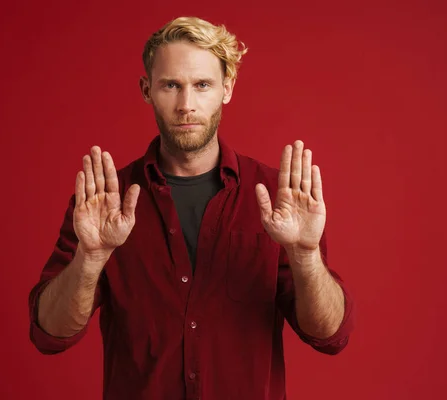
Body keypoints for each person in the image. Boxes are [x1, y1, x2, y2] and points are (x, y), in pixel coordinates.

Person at [28, 16, 355, 400]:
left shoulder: (275, 195)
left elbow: (329, 334)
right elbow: (50, 333)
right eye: (171, 85)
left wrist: (305, 255)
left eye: (202, 85)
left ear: (226, 89)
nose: (186, 105)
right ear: (147, 90)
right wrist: (90, 257)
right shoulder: (103, 202)